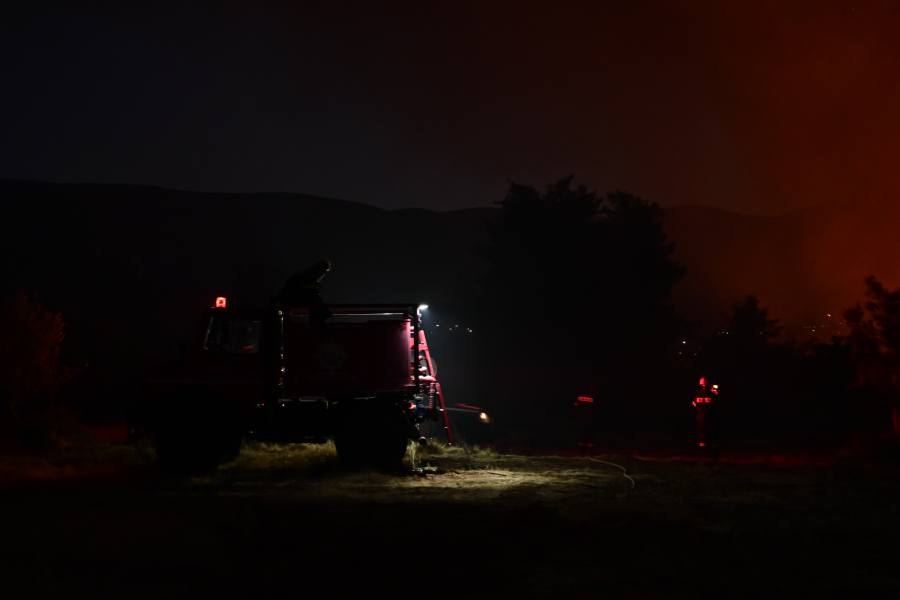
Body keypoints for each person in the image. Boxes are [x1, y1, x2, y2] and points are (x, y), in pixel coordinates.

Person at [693, 377, 719, 458]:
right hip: (710, 418)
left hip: (699, 418)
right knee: (712, 435)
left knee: (702, 435)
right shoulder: (712, 395)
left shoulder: (697, 395)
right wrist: (715, 391)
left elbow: (694, 406)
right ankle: (714, 454)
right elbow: (718, 403)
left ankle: (703, 453)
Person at [575, 385, 597, 455]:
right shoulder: (594, 396)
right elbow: (596, 406)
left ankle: (581, 450)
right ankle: (590, 451)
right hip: (590, 418)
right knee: (590, 432)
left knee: (582, 432)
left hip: (581, 417)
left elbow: (576, 404)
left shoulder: (581, 394)